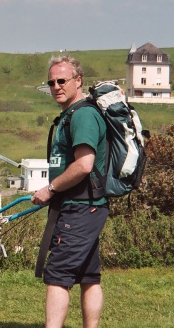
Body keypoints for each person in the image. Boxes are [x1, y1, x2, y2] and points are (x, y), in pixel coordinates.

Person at [31, 56, 108, 328]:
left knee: (57, 275)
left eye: (62, 80)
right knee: (89, 276)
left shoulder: (83, 115)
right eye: (51, 82)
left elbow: (85, 164)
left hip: (79, 208)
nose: (56, 86)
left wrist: (50, 188)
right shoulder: (72, 114)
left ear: (78, 81)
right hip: (86, 206)